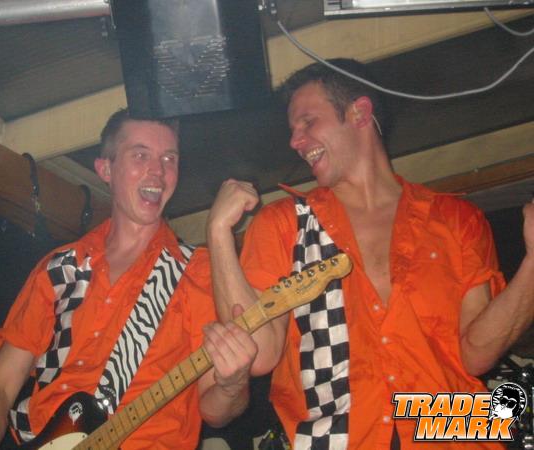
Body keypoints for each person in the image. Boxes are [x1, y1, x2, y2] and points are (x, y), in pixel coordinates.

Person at [206, 58, 534, 449]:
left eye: (308, 122)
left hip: (450, 435)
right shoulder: (285, 224)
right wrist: (218, 233)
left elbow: (476, 356)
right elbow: (258, 354)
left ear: (360, 113)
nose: (295, 141)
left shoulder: (455, 218)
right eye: (293, 130)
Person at [0, 109, 258, 450]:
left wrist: (232, 385)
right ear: (105, 169)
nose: (158, 171)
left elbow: (215, 412)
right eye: (140, 155)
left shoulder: (200, 271)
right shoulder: (59, 268)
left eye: (169, 158)